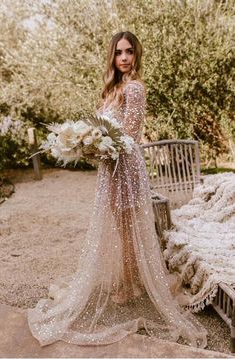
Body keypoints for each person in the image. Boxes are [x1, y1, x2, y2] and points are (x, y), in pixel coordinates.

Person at [27, 31, 207, 348]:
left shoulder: (134, 88)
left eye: (129, 52)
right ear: (112, 56)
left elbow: (130, 135)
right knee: (120, 224)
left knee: (125, 226)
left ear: (136, 55)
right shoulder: (111, 90)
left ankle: (130, 285)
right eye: (118, 53)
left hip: (125, 166)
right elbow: (106, 131)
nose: (123, 58)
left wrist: (102, 148)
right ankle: (133, 280)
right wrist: (88, 147)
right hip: (111, 166)